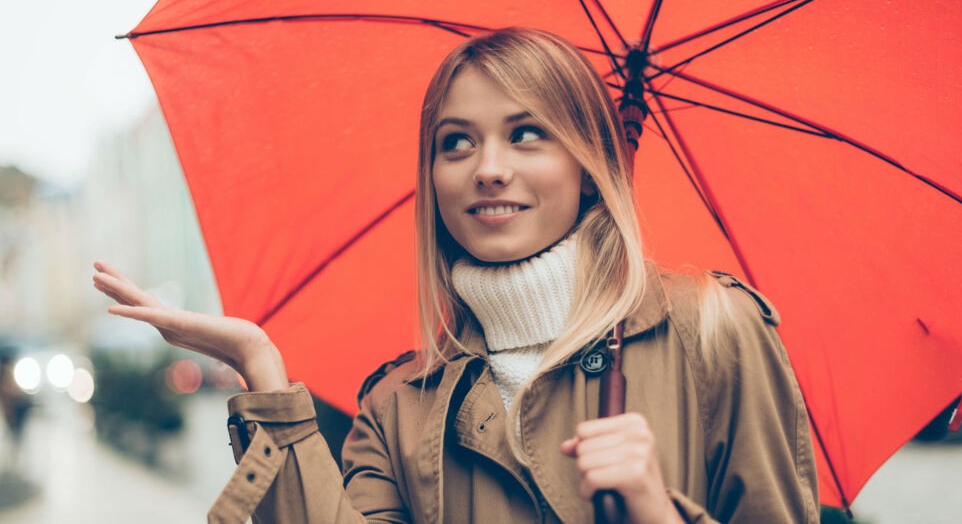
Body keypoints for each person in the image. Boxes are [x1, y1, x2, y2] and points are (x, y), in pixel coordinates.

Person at [92, 28, 819, 523]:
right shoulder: (398, 407)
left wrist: (657, 512)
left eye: (526, 133)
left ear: (588, 166)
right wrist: (262, 369)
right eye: (456, 143)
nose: (489, 168)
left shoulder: (712, 330)